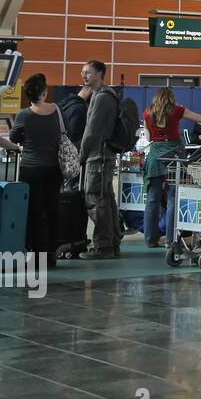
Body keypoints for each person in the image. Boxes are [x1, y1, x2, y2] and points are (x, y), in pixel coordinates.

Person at [9, 74, 61, 270]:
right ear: (45, 92)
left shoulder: (24, 114)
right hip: (53, 168)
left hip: (30, 168)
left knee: (34, 211)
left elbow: (14, 136)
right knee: (52, 209)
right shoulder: (57, 110)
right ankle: (51, 253)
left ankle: (35, 253)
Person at [143, 88, 201, 248]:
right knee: (173, 198)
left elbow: (148, 138)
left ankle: (150, 239)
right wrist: (182, 110)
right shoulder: (177, 110)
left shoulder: (147, 113)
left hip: (156, 156)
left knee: (152, 199)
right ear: (171, 98)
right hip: (174, 155)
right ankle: (171, 240)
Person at [78, 61, 123, 260]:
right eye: (82, 72)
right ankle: (112, 242)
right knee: (106, 200)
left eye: (87, 73)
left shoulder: (102, 97)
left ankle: (103, 247)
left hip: (98, 157)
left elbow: (92, 130)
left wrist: (81, 156)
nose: (84, 76)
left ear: (99, 74)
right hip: (103, 156)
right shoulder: (104, 95)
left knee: (96, 199)